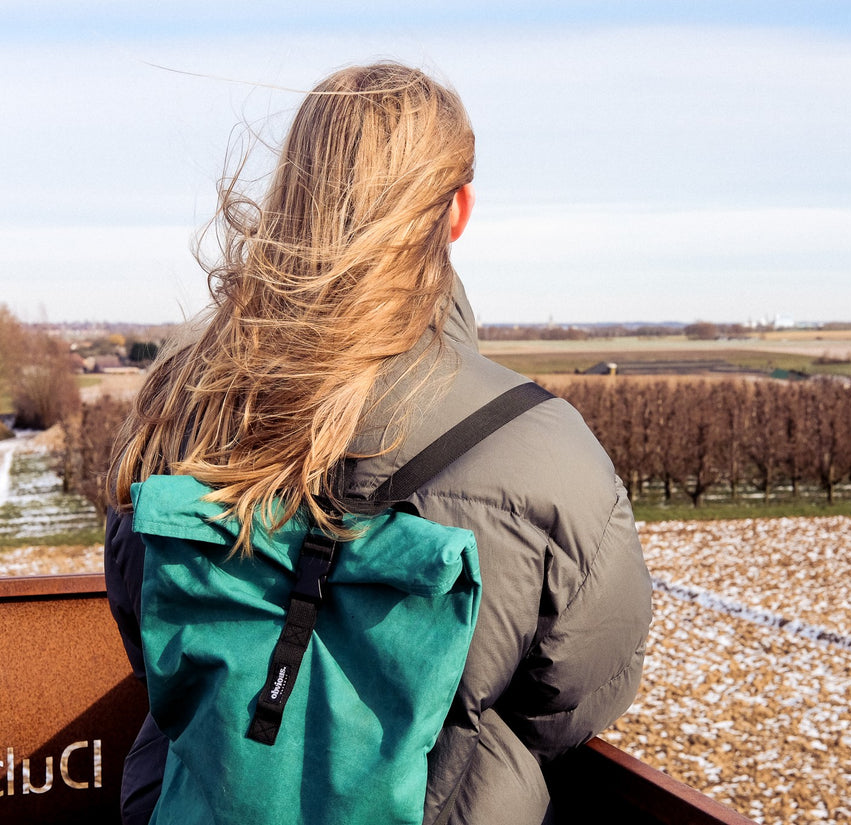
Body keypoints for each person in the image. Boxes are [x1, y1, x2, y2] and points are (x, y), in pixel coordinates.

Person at [104, 62, 651, 825]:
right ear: (457, 211)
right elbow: (581, 690)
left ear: (293, 191)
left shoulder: (181, 406)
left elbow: (147, 623)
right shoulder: (544, 445)